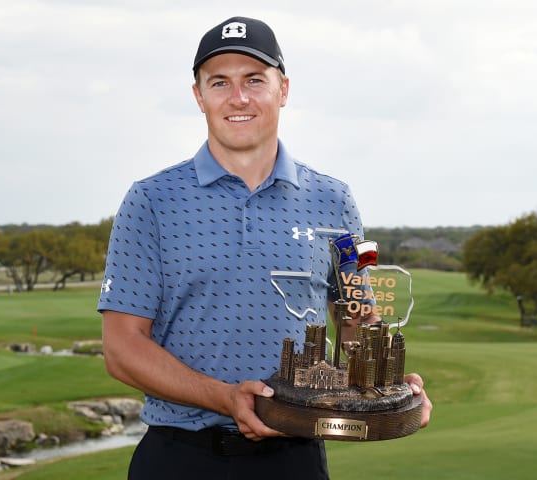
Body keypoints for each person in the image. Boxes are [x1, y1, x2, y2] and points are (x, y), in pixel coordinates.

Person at [98, 16, 432, 479]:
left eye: (255, 79)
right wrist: (225, 398)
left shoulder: (337, 200)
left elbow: (358, 317)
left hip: (294, 460)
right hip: (179, 457)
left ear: (284, 89)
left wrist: (385, 382)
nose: (238, 98)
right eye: (220, 82)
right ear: (199, 96)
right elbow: (121, 348)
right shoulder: (150, 200)